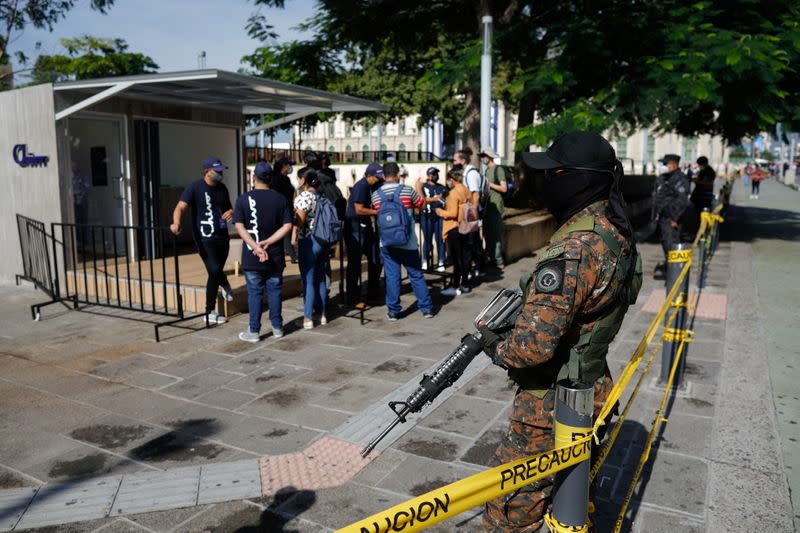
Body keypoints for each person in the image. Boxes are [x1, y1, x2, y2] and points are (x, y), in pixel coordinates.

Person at [480, 131, 641, 532]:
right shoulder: (613, 229)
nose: (546, 181)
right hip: (591, 389)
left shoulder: (574, 248)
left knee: (511, 508)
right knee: (570, 495)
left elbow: (530, 349)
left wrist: (494, 345)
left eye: (555, 173)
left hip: (549, 407)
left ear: (577, 179)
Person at [170, 156, 234, 325]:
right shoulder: (194, 187)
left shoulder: (222, 188)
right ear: (207, 171)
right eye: (217, 171)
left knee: (214, 273)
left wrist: (231, 212)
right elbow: (180, 207)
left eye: (221, 171)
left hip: (222, 236)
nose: (220, 174)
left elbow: (228, 208)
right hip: (204, 238)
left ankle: (209, 311)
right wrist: (176, 222)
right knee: (214, 269)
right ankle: (225, 283)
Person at [233, 162, 293, 342]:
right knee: (275, 291)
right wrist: (269, 242)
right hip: (274, 253)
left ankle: (254, 331)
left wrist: (255, 245)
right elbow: (288, 225)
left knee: (255, 292)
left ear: (254, 178)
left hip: (252, 255)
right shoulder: (280, 198)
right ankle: (277, 327)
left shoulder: (243, 198)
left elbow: (239, 226)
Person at [371, 162, 434, 321]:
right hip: (408, 241)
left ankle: (393, 311)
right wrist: (419, 188)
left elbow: (378, 214)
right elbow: (421, 205)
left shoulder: (376, 195)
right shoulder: (407, 190)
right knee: (416, 275)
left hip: (386, 242)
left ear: (384, 176)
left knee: (392, 277)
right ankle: (426, 309)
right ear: (398, 175)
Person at [637, 154, 689, 276]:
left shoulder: (681, 179)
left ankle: (674, 272)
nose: (665, 166)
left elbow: (682, 201)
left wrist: (674, 218)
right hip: (661, 217)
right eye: (665, 164)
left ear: (675, 164)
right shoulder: (664, 177)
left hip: (671, 218)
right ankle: (670, 266)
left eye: (667, 164)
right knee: (665, 243)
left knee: (671, 243)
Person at [294, 168, 330, 329]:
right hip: (323, 241)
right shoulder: (322, 196)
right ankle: (322, 315)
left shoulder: (305, 196)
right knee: (321, 278)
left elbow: (299, 220)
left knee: (308, 280)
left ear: (305, 181)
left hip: (309, 241)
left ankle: (308, 318)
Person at [344, 163, 384, 306]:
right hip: (354, 228)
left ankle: (373, 292)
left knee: (376, 258)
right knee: (355, 264)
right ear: (369, 175)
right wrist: (377, 212)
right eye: (377, 177)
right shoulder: (361, 186)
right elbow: (359, 209)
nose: (378, 180)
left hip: (364, 228)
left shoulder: (372, 186)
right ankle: (352, 297)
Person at [436, 165, 470, 296]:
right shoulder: (465, 190)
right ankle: (464, 284)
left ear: (452, 179)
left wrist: (440, 212)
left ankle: (455, 285)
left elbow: (452, 213)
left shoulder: (453, 193)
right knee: (464, 257)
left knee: (456, 259)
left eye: (448, 179)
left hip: (454, 227)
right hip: (465, 226)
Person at [454, 147, 486, 278]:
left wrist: (472, 216)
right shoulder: (467, 172)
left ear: (462, 161)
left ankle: (479, 267)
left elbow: (476, 195)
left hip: (471, 215)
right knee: (472, 243)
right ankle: (477, 267)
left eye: (455, 160)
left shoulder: (471, 174)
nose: (453, 162)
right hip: (469, 214)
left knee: (473, 243)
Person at [479, 147, 509, 269]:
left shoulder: (498, 169)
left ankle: (498, 261)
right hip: (487, 207)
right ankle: (490, 258)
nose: (481, 159)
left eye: (483, 156)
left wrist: (489, 184)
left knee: (496, 235)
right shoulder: (486, 171)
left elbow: (504, 188)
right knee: (487, 234)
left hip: (496, 207)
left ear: (489, 157)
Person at [419, 167, 447, 271]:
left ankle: (441, 261)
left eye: (436, 173)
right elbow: (421, 199)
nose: (435, 176)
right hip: (426, 216)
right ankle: (425, 260)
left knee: (440, 239)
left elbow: (445, 200)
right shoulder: (423, 186)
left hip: (439, 217)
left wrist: (439, 200)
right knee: (427, 239)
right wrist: (434, 199)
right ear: (429, 176)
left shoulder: (442, 187)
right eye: (433, 174)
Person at [272, 157, 298, 264]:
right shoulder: (276, 179)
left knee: (286, 233)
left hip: (287, 209)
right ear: (283, 166)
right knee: (286, 233)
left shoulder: (286, 179)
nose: (290, 167)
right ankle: (293, 256)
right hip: (280, 210)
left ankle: (289, 255)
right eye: (289, 165)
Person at [690, 156, 716, 230]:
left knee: (702, 214)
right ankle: (699, 229)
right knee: (697, 214)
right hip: (700, 196)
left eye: (700, 165)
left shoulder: (709, 171)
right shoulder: (704, 170)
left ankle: (702, 230)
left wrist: (696, 181)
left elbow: (708, 183)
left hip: (704, 196)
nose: (699, 166)